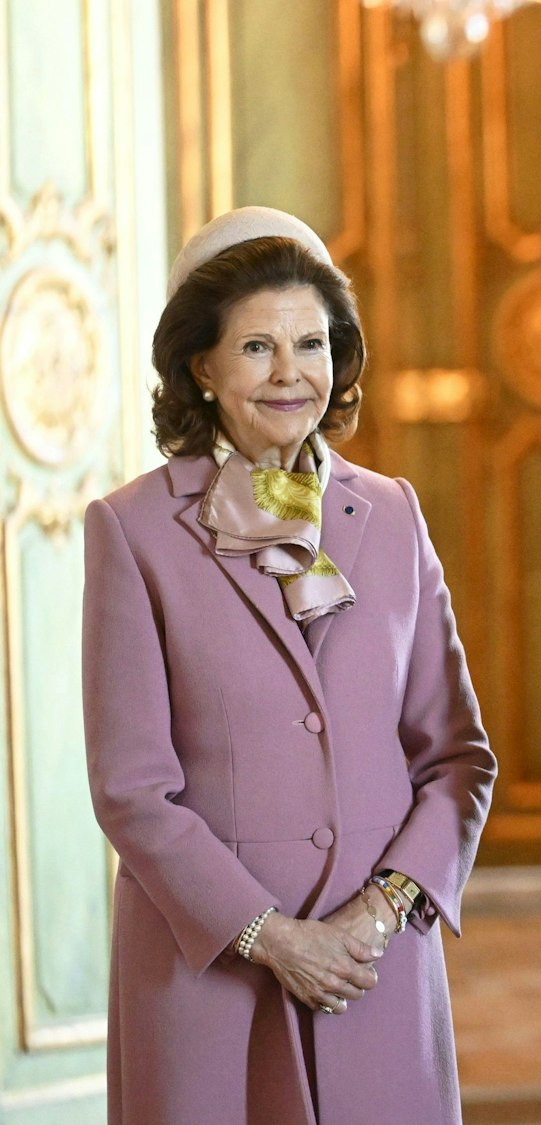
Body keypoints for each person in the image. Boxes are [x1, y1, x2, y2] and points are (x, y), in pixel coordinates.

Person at [82, 206, 497, 1124]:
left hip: (373, 973)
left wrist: (376, 917)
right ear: (202, 365)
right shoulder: (133, 528)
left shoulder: (392, 512)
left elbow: (459, 759)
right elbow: (131, 788)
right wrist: (273, 938)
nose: (289, 373)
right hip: (210, 977)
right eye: (257, 346)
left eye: (311, 343)